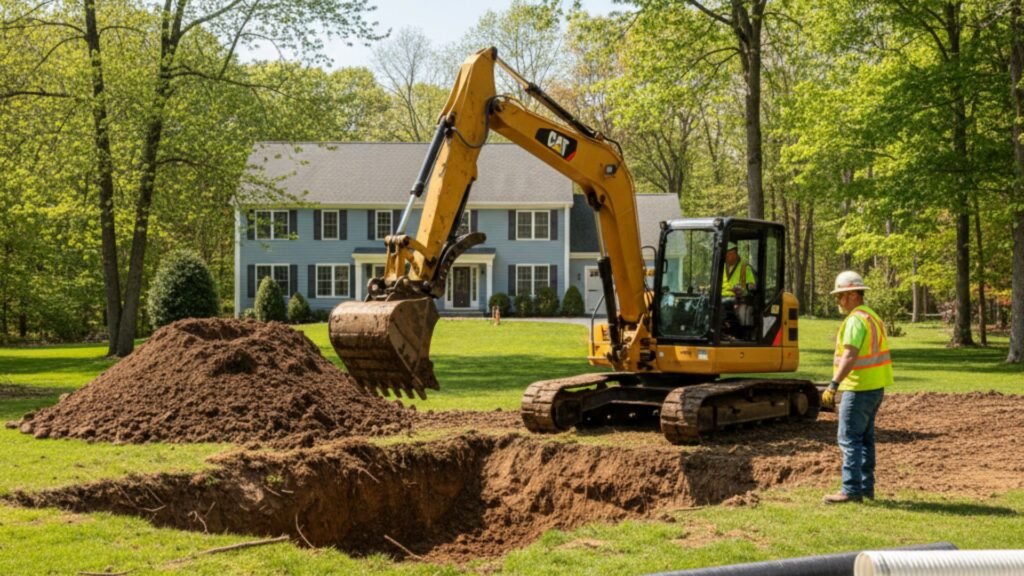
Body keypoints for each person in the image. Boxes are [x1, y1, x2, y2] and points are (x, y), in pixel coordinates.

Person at [821, 270, 893, 504]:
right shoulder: (873, 316)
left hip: (858, 387)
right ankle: (865, 488)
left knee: (849, 438)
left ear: (851, 294)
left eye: (840, 296)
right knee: (865, 439)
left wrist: (834, 384)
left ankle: (851, 490)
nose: (838, 301)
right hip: (875, 387)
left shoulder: (854, 320)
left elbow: (850, 355)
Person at [720, 242, 755, 330]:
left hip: (737, 298)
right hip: (720, 297)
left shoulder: (744, 267)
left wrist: (743, 289)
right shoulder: (722, 266)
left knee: (723, 305)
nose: (725, 257)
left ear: (734, 254)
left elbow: (752, 286)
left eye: (727, 255)